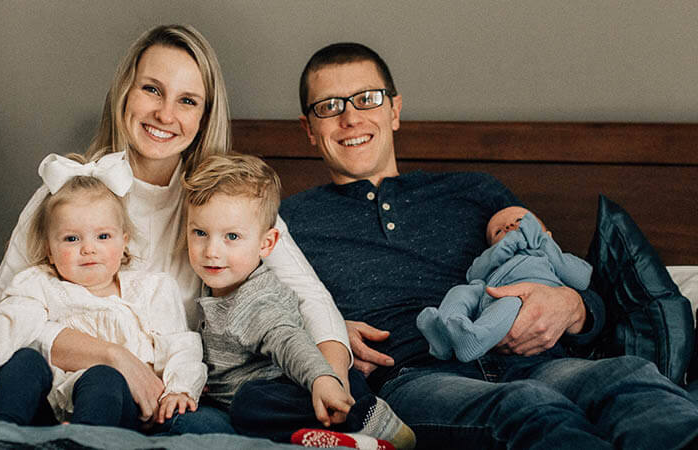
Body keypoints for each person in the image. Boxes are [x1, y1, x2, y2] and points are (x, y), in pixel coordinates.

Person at [0, 24, 351, 435]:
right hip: (47, 381)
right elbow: (3, 314)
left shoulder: (222, 201)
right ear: (125, 93)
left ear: (204, 115)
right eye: (152, 90)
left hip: (162, 399)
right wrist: (115, 356)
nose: (165, 113)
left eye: (187, 100)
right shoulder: (69, 190)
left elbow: (309, 297)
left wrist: (328, 383)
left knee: (202, 433)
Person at [278, 41, 698, 448]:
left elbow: (556, 272)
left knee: (628, 378)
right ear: (309, 130)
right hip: (415, 378)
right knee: (526, 406)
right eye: (329, 106)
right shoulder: (285, 222)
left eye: (367, 98)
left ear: (394, 110)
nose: (350, 118)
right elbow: (251, 321)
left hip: (538, 361)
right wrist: (323, 331)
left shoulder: (475, 191)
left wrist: (572, 306)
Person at [0, 152, 206, 429]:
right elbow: (7, 321)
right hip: (49, 405)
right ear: (49, 250)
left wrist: (180, 389)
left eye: (103, 236)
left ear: (123, 243)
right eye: (72, 239)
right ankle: (1, 430)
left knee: (103, 377)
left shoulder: (151, 289)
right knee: (25, 361)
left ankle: (82, 438)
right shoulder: (40, 285)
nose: (88, 248)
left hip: (120, 405)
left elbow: (180, 346)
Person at [182, 153, 415, 449]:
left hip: (291, 384)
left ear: (266, 243)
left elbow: (289, 341)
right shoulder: (219, 281)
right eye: (200, 233)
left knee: (249, 406)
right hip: (284, 393)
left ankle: (365, 418)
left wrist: (321, 379)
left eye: (231, 237)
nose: (211, 251)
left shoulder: (257, 301)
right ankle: (338, 436)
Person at [417, 207, 592, 362]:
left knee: (510, 303)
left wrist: (544, 243)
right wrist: (506, 245)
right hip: (487, 291)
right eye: (498, 231)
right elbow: (474, 274)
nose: (509, 227)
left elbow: (581, 279)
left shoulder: (548, 256)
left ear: (547, 233)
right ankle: (443, 335)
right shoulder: (494, 258)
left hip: (524, 299)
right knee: (460, 291)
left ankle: (474, 339)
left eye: (519, 221)